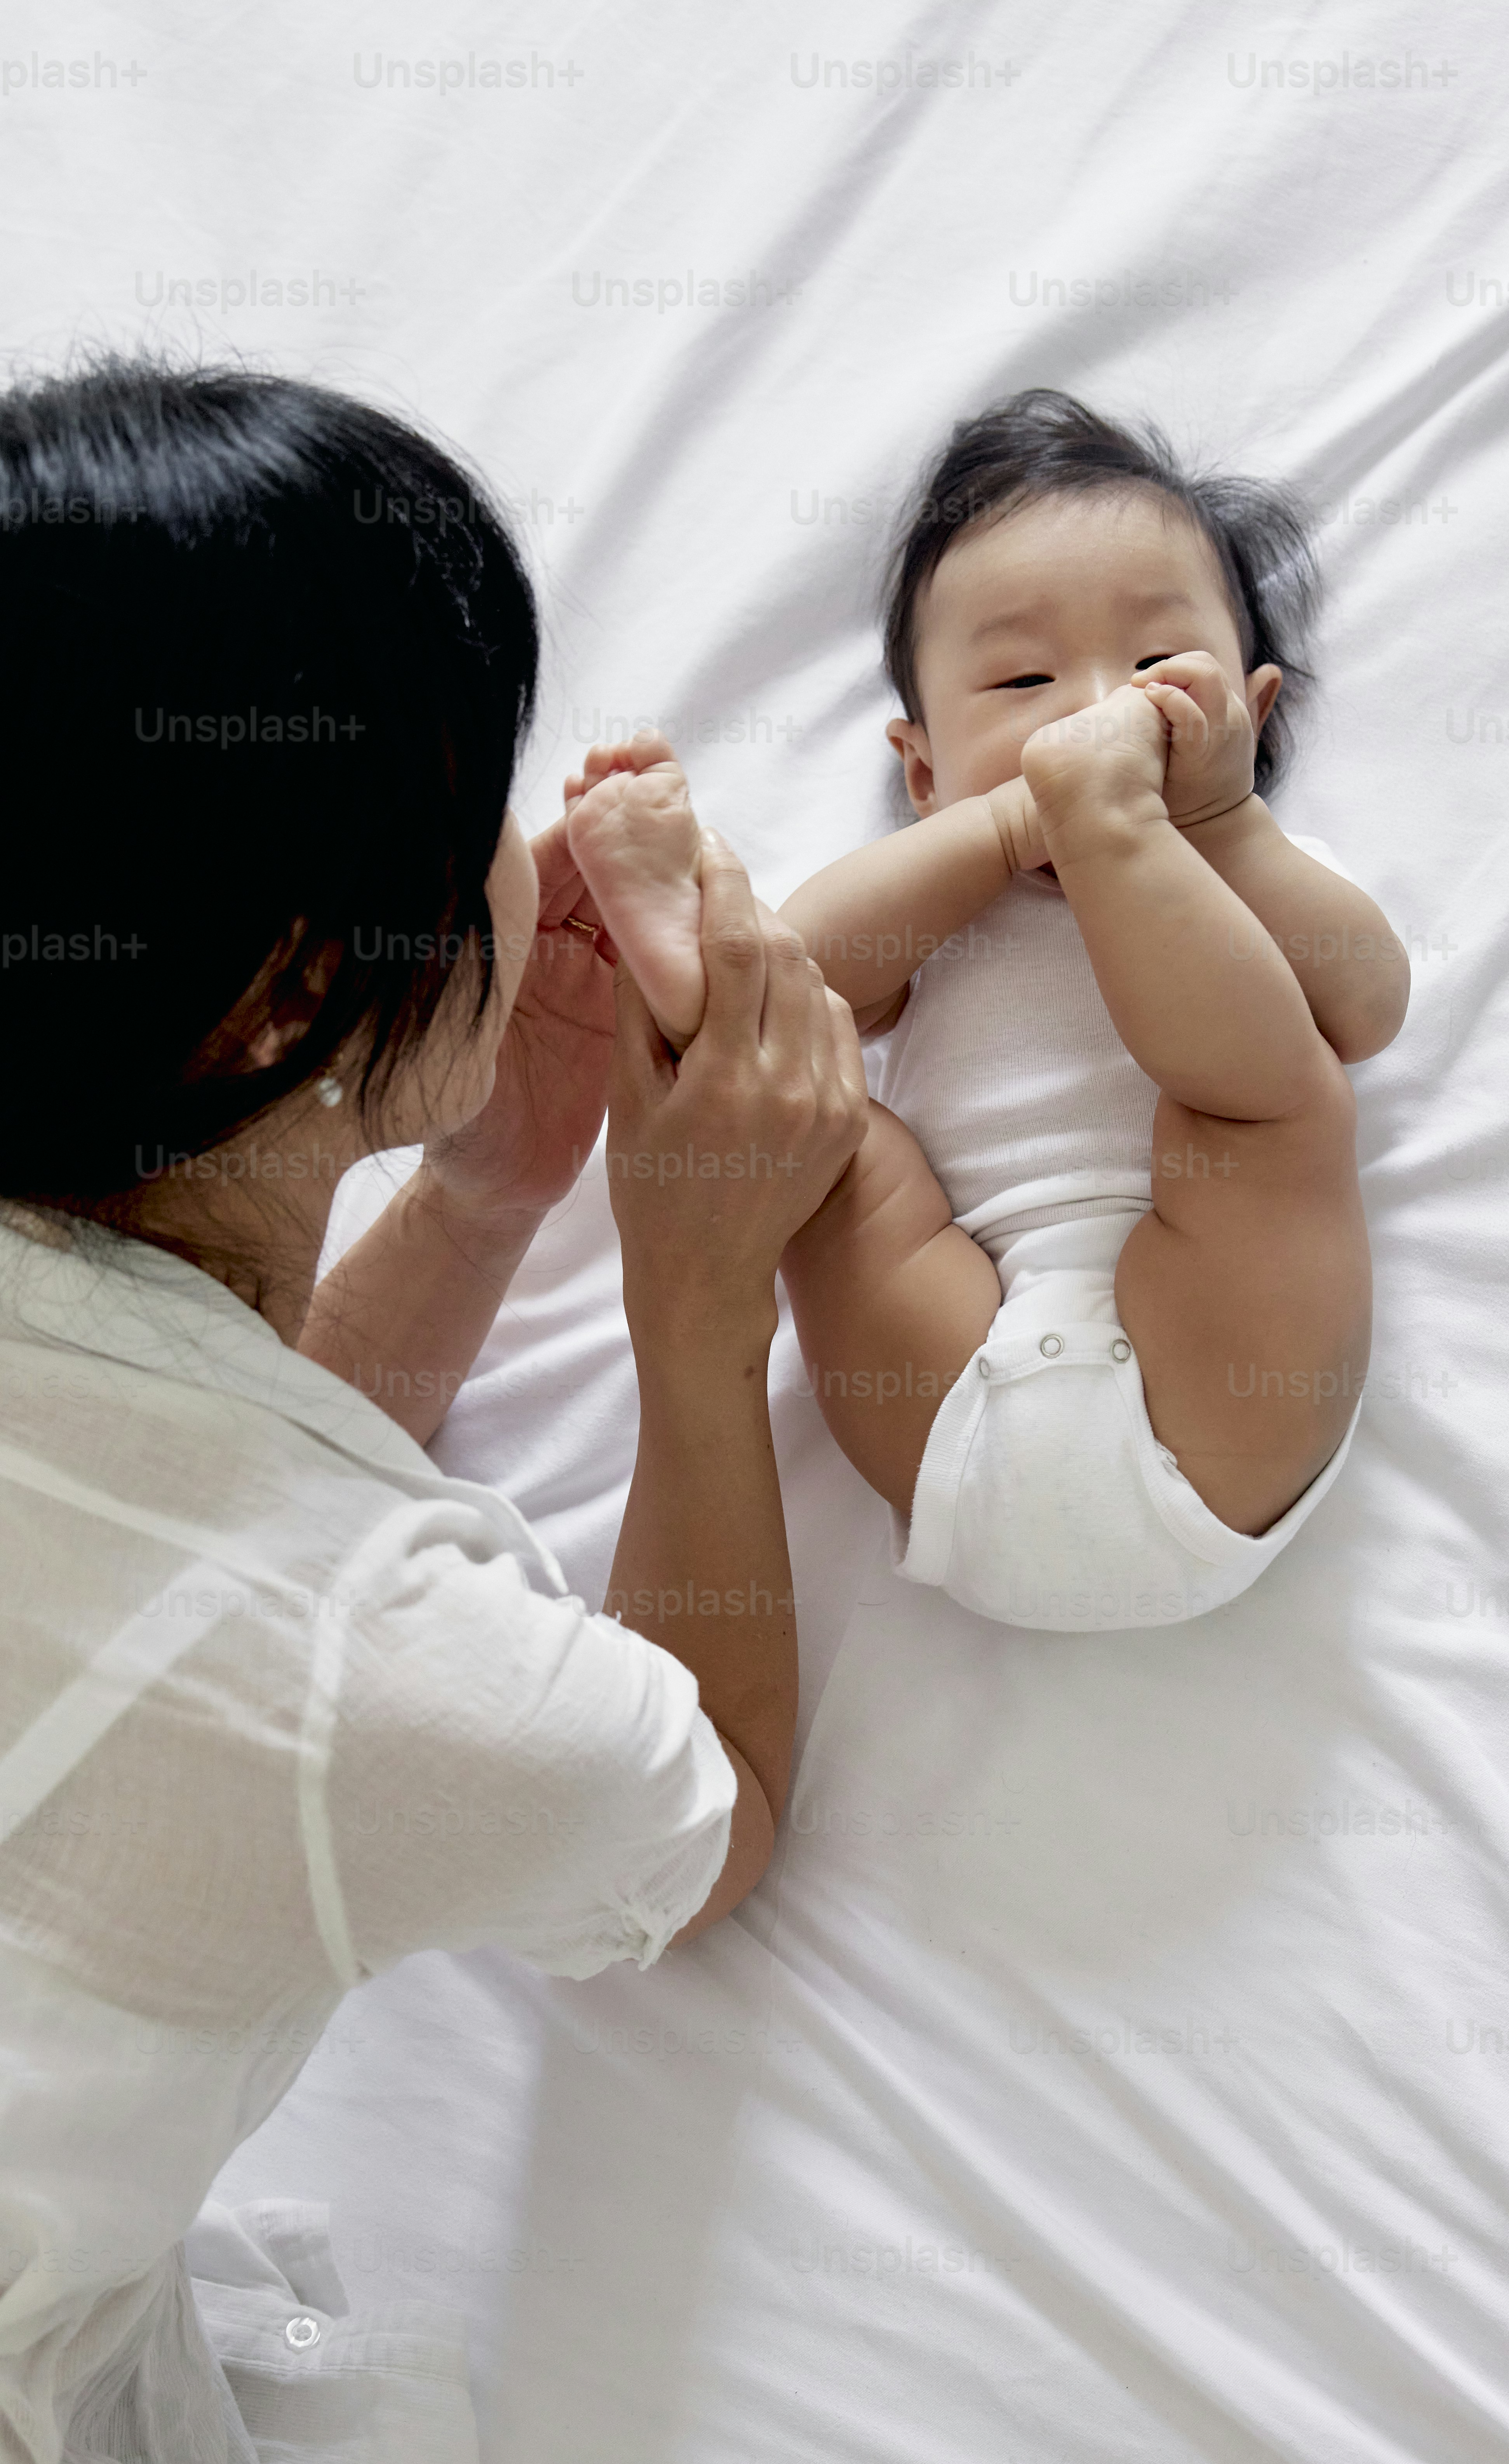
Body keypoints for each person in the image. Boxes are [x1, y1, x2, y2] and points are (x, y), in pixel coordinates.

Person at [0, 356, 863, 2464]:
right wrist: (694, 1296)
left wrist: (492, 1194)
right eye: (465, 805)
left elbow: (122, 1489)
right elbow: (678, 1824)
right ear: (286, 994)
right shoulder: (384, 1680)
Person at [566, 392, 1409, 1631]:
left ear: (1253, 712)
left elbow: (1366, 1001)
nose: (1090, 707)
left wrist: (1219, 827)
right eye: (1021, 676)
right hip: (950, 1397)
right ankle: (716, 989)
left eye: (1150, 665)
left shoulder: (1258, 867)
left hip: (1223, 1397)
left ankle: (721, 1000)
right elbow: (829, 969)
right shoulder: (937, 898)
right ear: (921, 772)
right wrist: (1013, 826)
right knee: (821, 1116)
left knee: (1272, 1105)